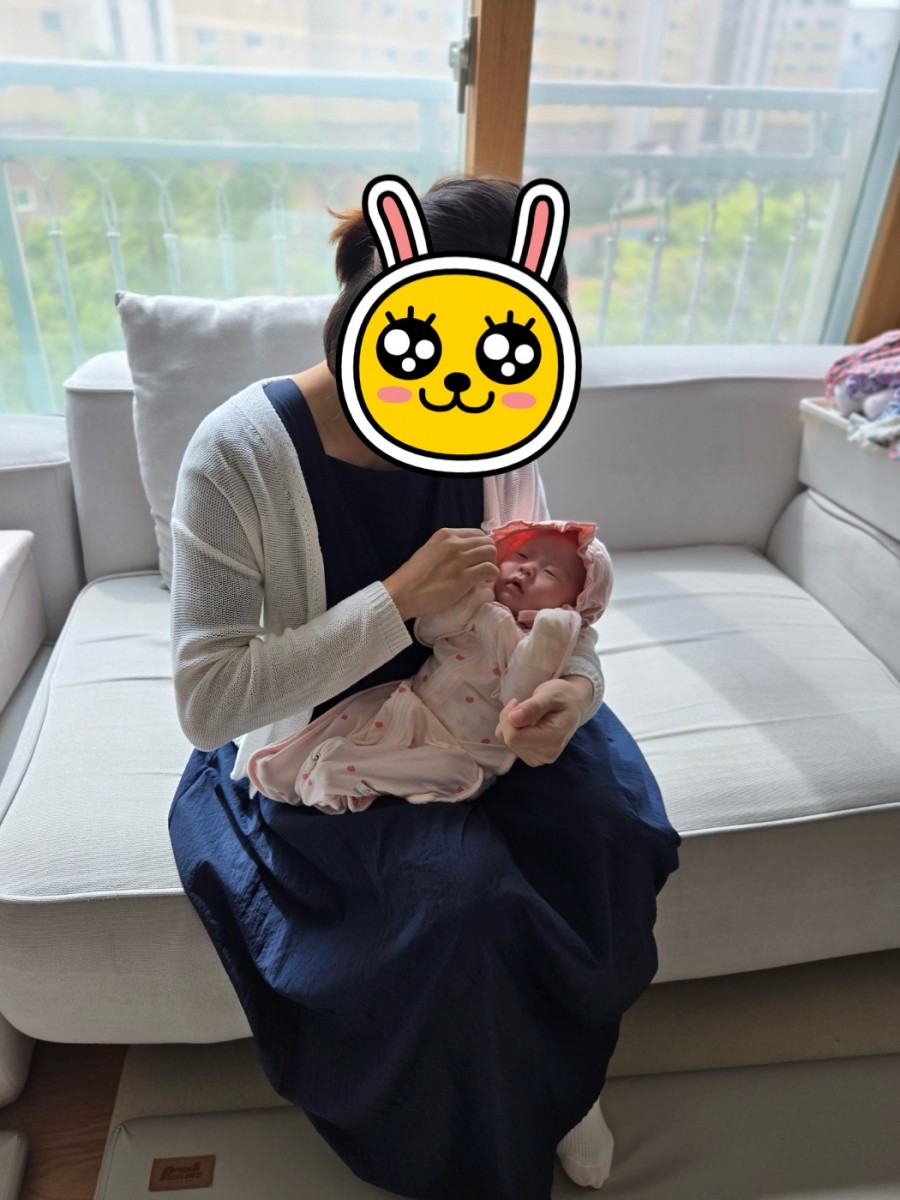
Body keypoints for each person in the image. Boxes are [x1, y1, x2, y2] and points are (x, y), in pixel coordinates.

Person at [167, 175, 681, 1200]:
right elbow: (207, 703)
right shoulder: (238, 455)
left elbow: (561, 608)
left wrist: (573, 696)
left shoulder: (494, 426)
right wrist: (397, 601)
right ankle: (494, 1135)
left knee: (621, 828)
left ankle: (561, 1078)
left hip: (486, 699)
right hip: (331, 745)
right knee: (459, 904)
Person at [248, 519, 613, 814]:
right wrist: (469, 601)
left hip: (461, 754)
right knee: (353, 718)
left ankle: (337, 776)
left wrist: (556, 653)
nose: (528, 568)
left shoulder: (545, 640)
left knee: (421, 769)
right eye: (520, 554)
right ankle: (282, 769)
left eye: (550, 573)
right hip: (410, 703)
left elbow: (517, 696)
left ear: (573, 606)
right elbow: (429, 632)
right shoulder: (482, 605)